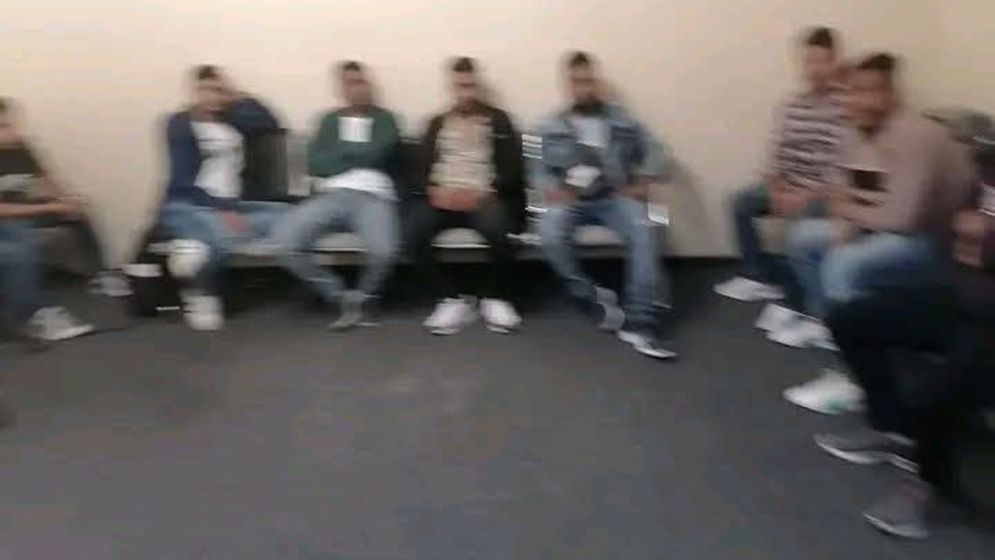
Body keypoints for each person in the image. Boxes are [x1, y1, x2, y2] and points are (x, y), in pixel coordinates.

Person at [779, 53, 976, 414]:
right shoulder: (857, 131)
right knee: (803, 238)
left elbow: (903, 218)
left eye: (871, 91)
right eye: (853, 91)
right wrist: (848, 218)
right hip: (889, 229)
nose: (860, 101)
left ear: (892, 93)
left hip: (937, 244)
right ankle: (829, 326)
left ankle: (856, 380)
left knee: (843, 263)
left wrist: (852, 218)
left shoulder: (915, 135)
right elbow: (844, 190)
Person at [813, 180, 994, 539]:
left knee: (932, 393)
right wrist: (966, 233)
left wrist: (983, 240)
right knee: (851, 320)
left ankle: (938, 490)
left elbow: (974, 236)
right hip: (965, 297)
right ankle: (892, 428)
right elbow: (951, 228)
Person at [535, 51, 675, 359]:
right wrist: (550, 188)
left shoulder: (623, 121)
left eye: (588, 81)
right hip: (571, 199)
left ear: (597, 83)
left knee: (646, 227)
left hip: (614, 197)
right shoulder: (549, 125)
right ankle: (590, 295)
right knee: (549, 233)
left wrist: (644, 180)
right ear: (567, 86)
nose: (583, 88)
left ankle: (640, 321)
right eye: (577, 82)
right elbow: (536, 168)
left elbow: (658, 153)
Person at [714, 27, 846, 305]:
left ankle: (802, 299)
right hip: (787, 185)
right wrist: (776, 189)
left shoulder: (845, 106)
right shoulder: (792, 105)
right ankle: (756, 277)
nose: (814, 69)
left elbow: (842, 169)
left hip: (823, 194)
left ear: (834, 62)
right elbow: (777, 151)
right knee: (739, 203)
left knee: (803, 222)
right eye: (808, 61)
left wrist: (804, 196)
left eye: (821, 61)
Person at [275, 61, 401, 330]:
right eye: (351, 83)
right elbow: (314, 164)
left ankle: (365, 298)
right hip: (331, 195)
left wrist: (339, 154)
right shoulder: (329, 121)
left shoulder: (385, 119)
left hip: (373, 196)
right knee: (284, 243)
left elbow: (378, 153)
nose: (358, 88)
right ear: (341, 89)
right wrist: (356, 154)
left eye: (361, 82)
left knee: (385, 252)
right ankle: (340, 296)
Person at [160, 65, 287, 331]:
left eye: (218, 90)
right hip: (188, 205)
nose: (212, 97)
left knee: (283, 215)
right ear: (194, 92)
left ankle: (193, 247)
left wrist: (238, 95)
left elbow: (270, 123)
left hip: (230, 205)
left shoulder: (231, 121)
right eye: (205, 90)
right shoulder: (180, 124)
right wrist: (223, 209)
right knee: (219, 237)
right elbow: (183, 182)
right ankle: (200, 292)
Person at [407, 57, 526, 335]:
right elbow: (419, 168)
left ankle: (493, 297)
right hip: (444, 198)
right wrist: (433, 191)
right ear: (452, 88)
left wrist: (488, 191)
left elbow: (513, 167)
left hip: (483, 197)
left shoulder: (499, 120)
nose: (466, 94)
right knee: (412, 231)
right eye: (460, 87)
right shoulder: (437, 123)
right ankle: (450, 299)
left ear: (478, 86)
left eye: (471, 86)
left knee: (501, 229)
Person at [0, 98, 126, 344]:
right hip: (7, 216)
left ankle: (100, 275)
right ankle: (34, 316)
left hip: (25, 208)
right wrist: (50, 206)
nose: (12, 131)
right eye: (3, 127)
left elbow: (47, 179)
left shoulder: (21, 147)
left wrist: (66, 200)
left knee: (79, 211)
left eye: (12, 124)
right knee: (20, 242)